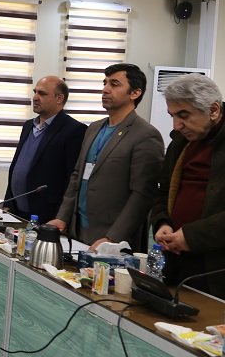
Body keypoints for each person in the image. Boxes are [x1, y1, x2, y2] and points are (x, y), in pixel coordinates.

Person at [50, 63, 164, 251]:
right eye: (105, 83)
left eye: (114, 84)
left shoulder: (145, 135)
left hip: (111, 238)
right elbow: (78, 175)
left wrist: (113, 237)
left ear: (135, 93)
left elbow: (142, 195)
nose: (105, 89)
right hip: (78, 230)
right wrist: (62, 217)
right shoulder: (94, 128)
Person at [150, 74, 225, 298]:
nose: (176, 125)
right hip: (177, 262)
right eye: (172, 116)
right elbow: (162, 192)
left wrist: (191, 236)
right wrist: (162, 223)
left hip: (216, 268)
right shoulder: (180, 144)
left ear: (213, 110)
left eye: (183, 115)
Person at [3, 76, 87, 221]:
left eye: (42, 93)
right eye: (35, 92)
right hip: (16, 211)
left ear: (59, 98)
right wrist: (7, 203)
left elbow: (72, 180)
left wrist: (62, 217)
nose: (35, 97)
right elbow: (17, 167)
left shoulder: (74, 130)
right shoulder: (28, 126)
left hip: (47, 216)